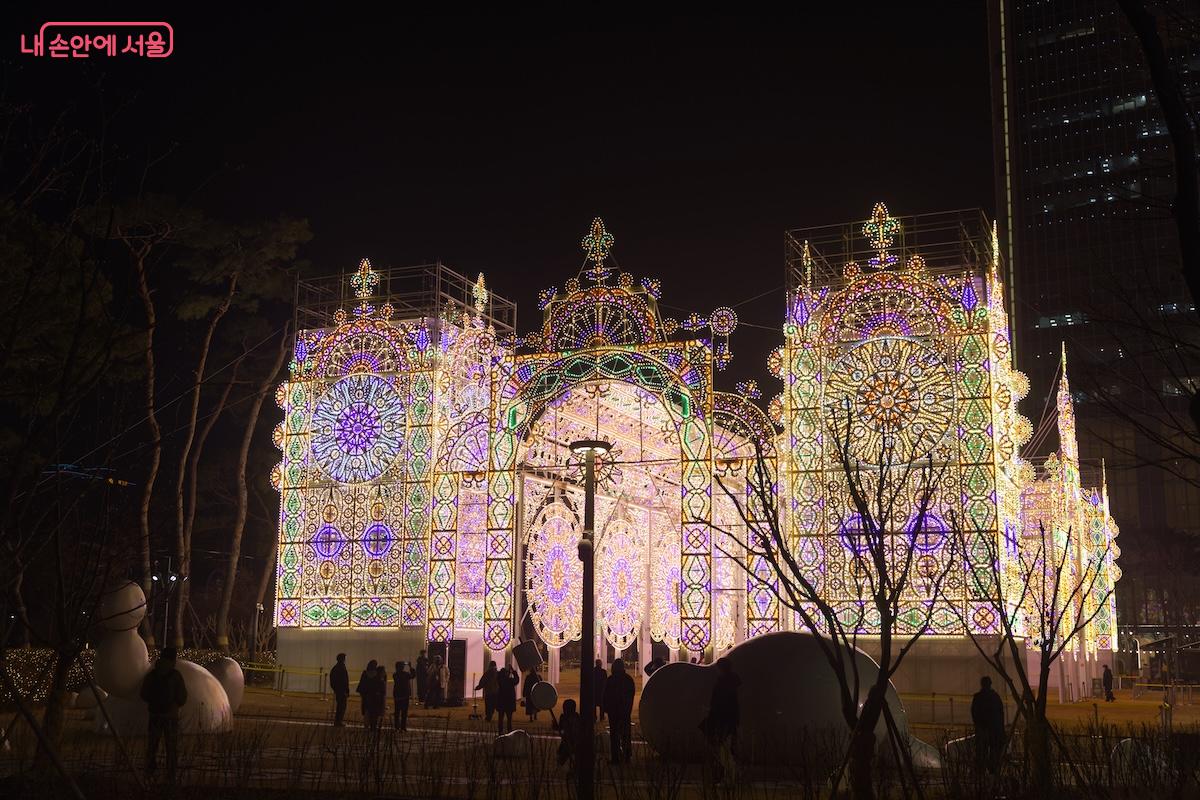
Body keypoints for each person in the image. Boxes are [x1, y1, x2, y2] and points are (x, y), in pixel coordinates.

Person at [141, 647, 188, 784]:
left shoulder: (152, 674)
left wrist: (153, 702)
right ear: (173, 659)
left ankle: (149, 771)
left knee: (152, 745)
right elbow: (182, 697)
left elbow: (143, 694)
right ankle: (171, 772)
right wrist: (175, 704)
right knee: (171, 746)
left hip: (155, 714)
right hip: (171, 716)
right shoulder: (175, 676)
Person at [704, 658, 741, 783]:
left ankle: (729, 776)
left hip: (723, 719)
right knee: (726, 749)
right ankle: (729, 775)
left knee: (724, 750)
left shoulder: (723, 683)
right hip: (730, 719)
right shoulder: (733, 683)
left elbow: (718, 703)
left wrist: (712, 716)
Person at [603, 658, 635, 764]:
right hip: (625, 711)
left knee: (614, 735)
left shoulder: (611, 680)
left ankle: (615, 757)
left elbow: (606, 695)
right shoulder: (629, 680)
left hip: (614, 712)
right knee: (626, 734)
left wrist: (606, 708)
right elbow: (631, 695)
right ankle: (627, 756)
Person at [971, 675, 1005, 774]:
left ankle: (982, 772)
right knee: (992, 753)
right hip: (994, 730)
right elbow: (1000, 714)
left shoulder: (978, 697)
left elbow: (974, 714)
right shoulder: (995, 697)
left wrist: (979, 726)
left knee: (982, 752)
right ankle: (992, 771)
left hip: (984, 730)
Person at [554, 698, 580, 769]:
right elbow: (560, 728)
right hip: (568, 740)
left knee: (565, 753)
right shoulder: (569, 717)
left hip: (572, 740)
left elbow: (561, 728)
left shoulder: (572, 718)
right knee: (563, 753)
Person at [496, 664, 519, 734]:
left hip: (501, 702)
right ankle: (509, 730)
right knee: (509, 718)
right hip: (509, 703)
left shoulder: (499, 681)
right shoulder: (510, 681)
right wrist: (513, 671)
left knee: (500, 718)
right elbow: (517, 680)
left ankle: (500, 731)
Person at [330, 653, 350, 726]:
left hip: (339, 690)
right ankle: (338, 721)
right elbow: (344, 680)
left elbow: (332, 680)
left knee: (340, 706)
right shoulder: (341, 668)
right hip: (341, 690)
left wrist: (335, 689)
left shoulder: (336, 668)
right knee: (341, 707)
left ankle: (338, 721)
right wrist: (345, 690)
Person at [393, 661, 412, 730]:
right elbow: (412, 675)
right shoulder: (404, 674)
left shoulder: (395, 674)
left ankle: (398, 726)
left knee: (398, 712)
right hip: (403, 695)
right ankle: (402, 726)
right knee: (403, 712)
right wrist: (410, 667)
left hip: (399, 695)